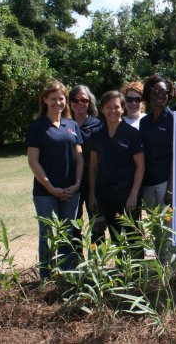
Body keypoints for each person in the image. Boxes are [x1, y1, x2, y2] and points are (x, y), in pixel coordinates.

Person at [26, 80, 83, 280]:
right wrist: (50, 187)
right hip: (45, 193)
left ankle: (67, 277)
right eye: (53, 99)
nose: (58, 102)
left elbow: (80, 157)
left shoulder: (72, 124)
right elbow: (33, 161)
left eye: (61, 98)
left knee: (68, 235)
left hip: (71, 191)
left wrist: (77, 184)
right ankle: (47, 279)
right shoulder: (37, 127)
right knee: (48, 235)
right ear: (45, 100)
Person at [89, 91, 145, 258]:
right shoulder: (97, 135)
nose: (113, 111)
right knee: (116, 239)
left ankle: (138, 277)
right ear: (102, 109)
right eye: (108, 107)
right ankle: (122, 275)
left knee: (134, 239)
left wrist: (134, 195)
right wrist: (92, 195)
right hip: (106, 196)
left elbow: (140, 166)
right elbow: (93, 167)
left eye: (116, 107)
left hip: (128, 198)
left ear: (123, 109)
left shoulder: (132, 134)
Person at [139, 76, 174, 261]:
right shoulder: (144, 122)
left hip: (164, 182)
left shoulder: (173, 119)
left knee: (167, 228)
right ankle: (160, 265)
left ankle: (170, 268)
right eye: (155, 92)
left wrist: (170, 187)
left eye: (163, 92)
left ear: (169, 96)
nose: (159, 96)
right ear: (149, 95)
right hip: (147, 182)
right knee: (154, 227)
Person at [69, 85, 103, 247]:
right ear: (70, 102)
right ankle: (77, 264)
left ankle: (97, 264)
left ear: (90, 102)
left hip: (94, 182)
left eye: (84, 100)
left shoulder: (97, 125)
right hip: (71, 181)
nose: (80, 103)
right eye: (76, 99)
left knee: (97, 225)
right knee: (73, 225)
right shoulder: (64, 125)